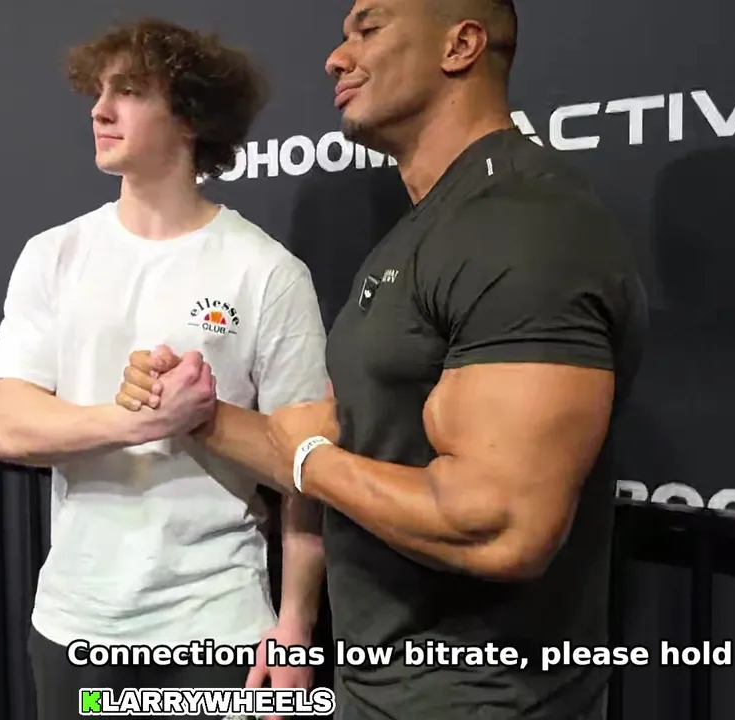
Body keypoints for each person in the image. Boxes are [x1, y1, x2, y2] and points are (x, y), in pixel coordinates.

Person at [113, 1, 650, 718]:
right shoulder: (425, 230)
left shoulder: (524, 223)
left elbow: (502, 525)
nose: (337, 58)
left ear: (460, 45)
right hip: (379, 687)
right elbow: (346, 441)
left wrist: (311, 463)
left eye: (369, 29)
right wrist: (197, 413)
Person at [0, 18, 327, 720]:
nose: (99, 110)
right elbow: (9, 428)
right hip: (76, 625)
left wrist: (295, 624)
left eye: (130, 92)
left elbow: (309, 469)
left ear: (190, 116)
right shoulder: (53, 255)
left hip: (218, 628)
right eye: (99, 91)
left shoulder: (267, 272)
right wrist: (141, 419)